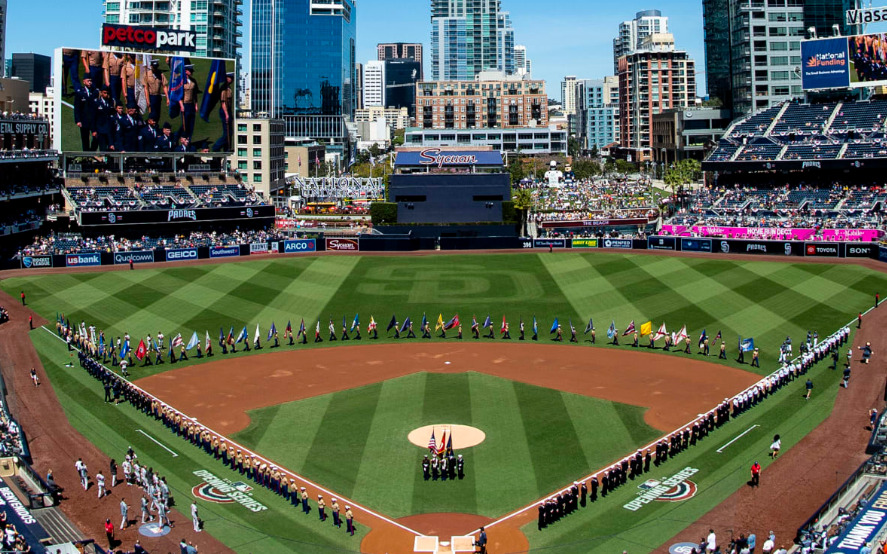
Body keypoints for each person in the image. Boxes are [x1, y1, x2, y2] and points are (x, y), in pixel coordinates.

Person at [213, 73, 235, 152]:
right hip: (224, 111)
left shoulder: (229, 88)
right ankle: (216, 147)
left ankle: (227, 148)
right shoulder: (224, 89)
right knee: (227, 133)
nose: (231, 80)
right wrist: (226, 114)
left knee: (230, 132)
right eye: (230, 78)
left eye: (232, 78)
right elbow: (223, 103)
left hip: (228, 110)